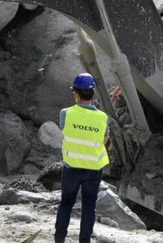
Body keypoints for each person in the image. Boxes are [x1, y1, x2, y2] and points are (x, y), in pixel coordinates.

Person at [54, 73, 110, 243]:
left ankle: (59, 239)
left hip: (71, 168)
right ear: (93, 94)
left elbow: (64, 129)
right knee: (89, 207)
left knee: (66, 204)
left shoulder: (66, 113)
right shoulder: (103, 118)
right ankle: (84, 240)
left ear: (76, 93)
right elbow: (105, 140)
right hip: (94, 169)